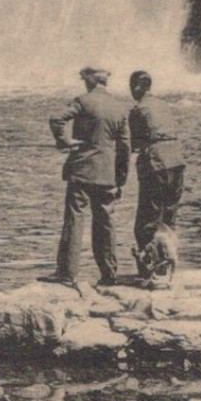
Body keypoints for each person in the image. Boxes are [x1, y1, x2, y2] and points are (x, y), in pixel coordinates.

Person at [45, 66, 131, 287]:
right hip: (107, 175)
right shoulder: (120, 108)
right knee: (106, 224)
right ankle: (109, 274)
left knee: (75, 219)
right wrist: (120, 179)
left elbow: (56, 119)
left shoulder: (82, 101)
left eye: (84, 80)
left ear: (91, 82)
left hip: (82, 171)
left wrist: (64, 141)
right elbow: (124, 148)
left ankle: (67, 273)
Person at [127, 70, 185, 284]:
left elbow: (135, 144)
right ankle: (168, 267)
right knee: (169, 217)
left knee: (147, 220)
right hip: (176, 161)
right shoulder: (163, 105)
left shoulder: (138, 110)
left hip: (156, 164)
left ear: (136, 87)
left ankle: (150, 271)